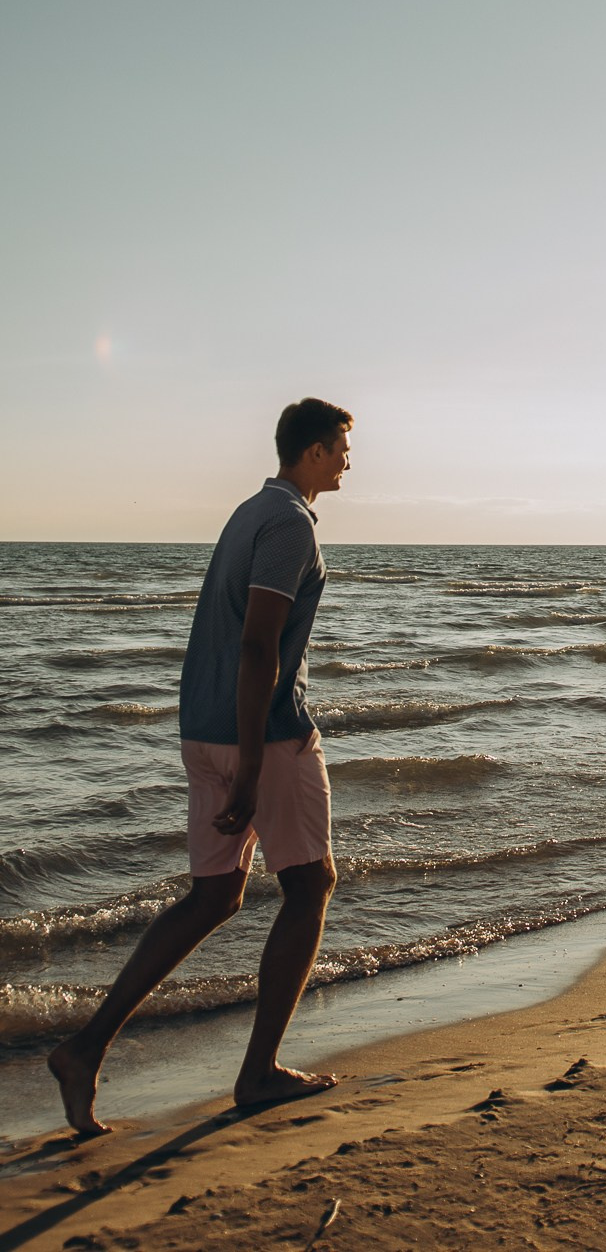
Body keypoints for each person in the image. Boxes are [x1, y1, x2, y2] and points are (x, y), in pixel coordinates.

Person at [49, 397, 353, 1136]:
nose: (350, 460)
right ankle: (259, 1073)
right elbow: (257, 644)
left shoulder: (248, 512)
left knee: (214, 895)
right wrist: (251, 765)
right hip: (265, 738)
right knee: (311, 884)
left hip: (204, 729)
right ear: (313, 451)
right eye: (343, 447)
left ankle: (84, 1049)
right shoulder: (290, 523)